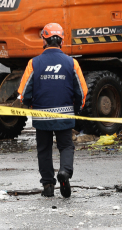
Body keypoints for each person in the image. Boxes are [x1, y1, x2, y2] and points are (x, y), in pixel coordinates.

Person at [17, 23, 88, 199]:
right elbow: (82, 90)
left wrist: (28, 104)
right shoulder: (72, 63)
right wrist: (78, 108)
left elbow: (24, 92)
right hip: (64, 113)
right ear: (61, 41)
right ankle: (64, 171)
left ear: (44, 39)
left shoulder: (33, 63)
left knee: (44, 149)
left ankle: (48, 185)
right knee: (66, 146)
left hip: (41, 115)